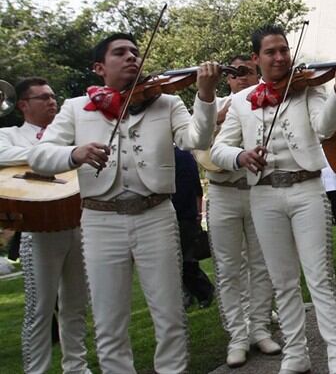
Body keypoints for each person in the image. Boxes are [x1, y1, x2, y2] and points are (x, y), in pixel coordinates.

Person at [29, 33, 221, 373]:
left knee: (170, 312)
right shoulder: (75, 107)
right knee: (108, 320)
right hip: (100, 219)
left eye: (135, 51)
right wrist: (75, 153)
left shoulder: (166, 102)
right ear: (99, 67)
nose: (132, 56)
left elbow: (197, 139)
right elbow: (39, 156)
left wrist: (205, 95)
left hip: (156, 214)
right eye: (120, 52)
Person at [211, 24, 336, 374]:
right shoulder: (241, 101)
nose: (279, 57)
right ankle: (296, 353)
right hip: (263, 195)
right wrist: (240, 156)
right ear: (256, 58)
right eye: (271, 52)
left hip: (307, 188)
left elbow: (324, 128)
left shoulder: (308, 88)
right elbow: (218, 149)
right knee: (283, 280)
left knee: (319, 276)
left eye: (284, 50)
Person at [0, 77, 91, 374]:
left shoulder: (69, 133)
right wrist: (50, 155)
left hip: (76, 223)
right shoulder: (9, 135)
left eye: (53, 96)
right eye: (43, 98)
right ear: (23, 105)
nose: (52, 102)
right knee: (39, 308)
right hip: (37, 230)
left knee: (76, 304)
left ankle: (76, 367)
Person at [202, 54, 280, 368]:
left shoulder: (265, 101)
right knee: (228, 268)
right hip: (222, 192)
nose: (239, 78)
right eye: (233, 74)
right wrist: (217, 119)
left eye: (245, 71)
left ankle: (260, 327)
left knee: (262, 263)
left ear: (256, 70)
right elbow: (196, 144)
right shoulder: (214, 105)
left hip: (256, 190)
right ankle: (237, 335)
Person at [172, 146, 214, 308]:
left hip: (184, 214)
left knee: (186, 260)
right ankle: (189, 294)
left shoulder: (182, 156)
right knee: (180, 261)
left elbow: (196, 188)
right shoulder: (183, 156)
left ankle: (204, 292)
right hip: (180, 213)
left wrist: (197, 213)